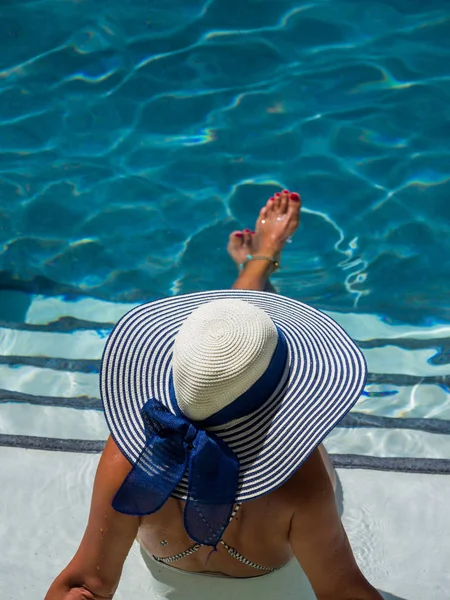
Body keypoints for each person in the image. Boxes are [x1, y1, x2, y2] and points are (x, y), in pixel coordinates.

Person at [45, 190, 383, 600]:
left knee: (229, 350)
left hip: (167, 559)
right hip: (270, 552)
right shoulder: (300, 477)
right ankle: (259, 267)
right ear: (290, 398)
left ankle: (255, 270)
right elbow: (343, 591)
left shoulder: (131, 451)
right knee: (251, 355)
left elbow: (85, 584)